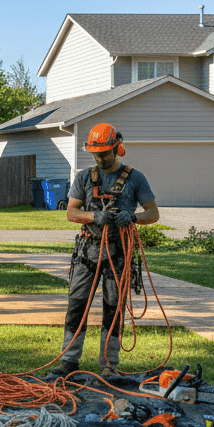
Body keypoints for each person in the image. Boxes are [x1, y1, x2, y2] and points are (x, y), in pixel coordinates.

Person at [48, 122, 159, 380]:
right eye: (96, 154)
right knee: (77, 305)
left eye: (105, 154)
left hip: (118, 253)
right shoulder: (84, 177)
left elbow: (153, 213)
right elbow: (71, 212)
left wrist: (132, 217)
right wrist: (94, 216)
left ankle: (110, 364)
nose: (100, 159)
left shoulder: (135, 178)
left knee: (114, 307)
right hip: (87, 252)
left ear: (117, 148)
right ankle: (68, 360)